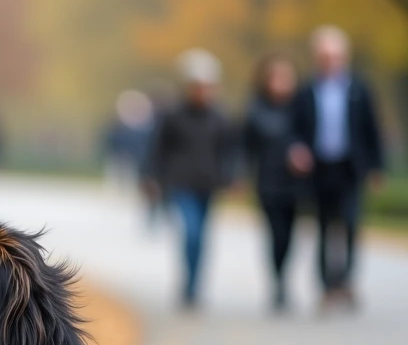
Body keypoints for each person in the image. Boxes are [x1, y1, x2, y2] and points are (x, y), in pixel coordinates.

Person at [288, 25, 386, 310]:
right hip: (319, 169)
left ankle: (345, 281)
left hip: (350, 167)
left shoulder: (359, 89)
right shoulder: (307, 90)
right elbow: (294, 130)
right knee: (321, 226)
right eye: (325, 55)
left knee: (351, 223)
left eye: (335, 55)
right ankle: (326, 286)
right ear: (317, 57)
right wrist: (296, 150)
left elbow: (371, 129)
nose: (330, 61)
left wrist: (376, 167)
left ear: (344, 57)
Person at [146, 49, 236, 309]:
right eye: (198, 86)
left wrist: (230, 176)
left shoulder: (220, 117)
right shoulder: (174, 116)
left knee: (202, 237)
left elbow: (229, 151)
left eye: (208, 87)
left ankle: (195, 286)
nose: (203, 92)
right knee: (192, 232)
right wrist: (153, 177)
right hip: (181, 184)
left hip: (208, 185)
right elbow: (158, 149)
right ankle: (188, 283)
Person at [243, 54, 302, 311]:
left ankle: (284, 277)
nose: (282, 83)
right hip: (268, 181)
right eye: (277, 77)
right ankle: (278, 282)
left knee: (291, 235)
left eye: (286, 77)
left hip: (295, 181)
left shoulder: (301, 108)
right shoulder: (255, 108)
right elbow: (246, 146)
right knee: (275, 233)